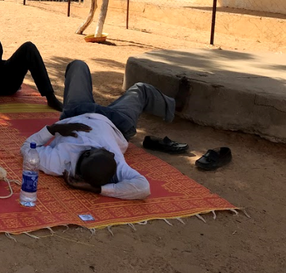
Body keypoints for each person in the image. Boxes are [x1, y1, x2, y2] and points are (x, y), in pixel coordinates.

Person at [20, 59, 191, 200]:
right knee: (141, 89)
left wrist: (53, 129)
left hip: (77, 111)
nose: (110, 152)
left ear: (87, 154)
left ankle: (170, 105)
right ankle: (174, 106)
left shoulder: (57, 163)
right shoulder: (116, 163)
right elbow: (143, 187)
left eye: (103, 151)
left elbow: (26, 148)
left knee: (77, 66)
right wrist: (98, 189)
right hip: (117, 122)